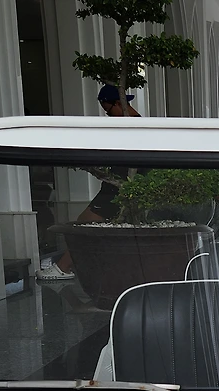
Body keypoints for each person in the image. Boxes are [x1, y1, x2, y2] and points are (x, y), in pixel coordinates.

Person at [37, 84, 142, 281]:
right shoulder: (136, 126)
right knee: (87, 225)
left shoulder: (130, 128)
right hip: (119, 187)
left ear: (117, 103)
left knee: (85, 225)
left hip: (116, 190)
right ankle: (70, 266)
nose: (108, 116)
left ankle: (64, 267)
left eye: (108, 110)